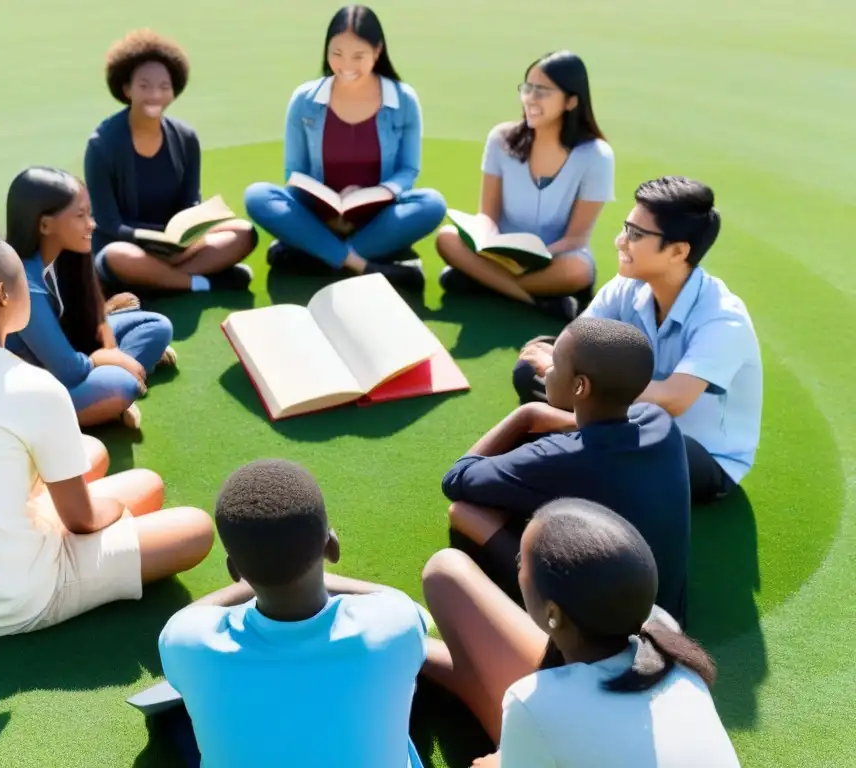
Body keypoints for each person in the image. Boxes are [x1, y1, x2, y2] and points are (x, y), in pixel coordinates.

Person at [0, 206, 214, 636]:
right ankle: (63, 549)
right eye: (26, 281)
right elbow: (84, 521)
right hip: (15, 598)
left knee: (101, 457)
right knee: (194, 528)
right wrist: (112, 511)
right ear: (4, 295)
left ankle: (45, 530)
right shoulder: (33, 387)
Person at [421, 499, 741, 767]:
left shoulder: (535, 702)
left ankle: (405, 642)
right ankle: (413, 648)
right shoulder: (666, 639)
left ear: (553, 614)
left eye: (522, 563)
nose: (518, 568)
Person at [158, 459, 429, 768]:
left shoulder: (186, 641)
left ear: (235, 570)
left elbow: (185, 618)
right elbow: (391, 598)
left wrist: (257, 575)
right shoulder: (397, 621)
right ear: (332, 547)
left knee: (179, 723)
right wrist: (319, 574)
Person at [513, 176, 763, 504]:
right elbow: (572, 343)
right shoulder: (627, 286)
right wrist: (561, 368)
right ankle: (579, 437)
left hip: (695, 451)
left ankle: (570, 436)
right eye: (625, 228)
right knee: (531, 366)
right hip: (621, 418)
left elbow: (672, 400)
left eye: (636, 234)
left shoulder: (722, 317)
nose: (620, 241)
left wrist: (573, 379)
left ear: (678, 251)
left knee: (646, 437)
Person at [442, 316, 690, 624]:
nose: (546, 372)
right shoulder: (660, 423)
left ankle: (510, 618)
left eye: (554, 365)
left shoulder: (559, 458)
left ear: (580, 386)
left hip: (607, 636)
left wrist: (527, 414)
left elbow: (456, 479)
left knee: (464, 513)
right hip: (667, 615)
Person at [244, 5, 447, 291]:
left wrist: (370, 194)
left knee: (432, 203)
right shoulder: (305, 99)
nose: (346, 65)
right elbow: (294, 171)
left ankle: (316, 254)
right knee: (257, 195)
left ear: (377, 51)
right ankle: (361, 264)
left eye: (358, 56)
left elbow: (408, 170)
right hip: (320, 214)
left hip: (376, 217)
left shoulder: (403, 100)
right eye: (336, 53)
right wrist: (328, 207)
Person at [435, 50, 614, 319]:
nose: (530, 98)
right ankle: (534, 300)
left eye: (542, 91)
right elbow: (488, 214)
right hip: (498, 253)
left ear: (571, 101)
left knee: (579, 270)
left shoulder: (597, 156)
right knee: (446, 238)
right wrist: (486, 237)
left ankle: (483, 281)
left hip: (554, 258)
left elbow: (576, 238)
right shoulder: (500, 139)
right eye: (527, 88)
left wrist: (533, 257)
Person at [85, 29, 257, 295]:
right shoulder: (102, 145)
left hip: (178, 245)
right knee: (117, 257)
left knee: (244, 232)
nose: (155, 95)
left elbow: (190, 203)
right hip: (127, 245)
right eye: (144, 86)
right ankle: (200, 282)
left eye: (164, 87)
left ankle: (157, 280)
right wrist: (156, 238)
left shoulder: (186, 138)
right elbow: (108, 223)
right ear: (126, 88)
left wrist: (186, 236)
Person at [4, 166, 175, 430]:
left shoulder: (67, 253)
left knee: (156, 327)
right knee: (122, 385)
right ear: (45, 225)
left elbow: (87, 318)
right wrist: (107, 358)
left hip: (71, 354)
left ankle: (114, 386)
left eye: (89, 214)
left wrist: (110, 350)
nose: (91, 224)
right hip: (39, 384)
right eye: (80, 215)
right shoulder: (23, 284)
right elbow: (68, 371)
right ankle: (112, 396)